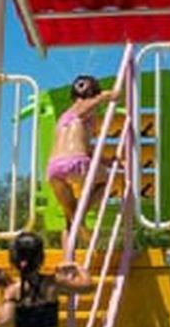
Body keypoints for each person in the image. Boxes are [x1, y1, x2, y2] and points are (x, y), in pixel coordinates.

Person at [47, 74, 121, 251]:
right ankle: (81, 218)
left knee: (69, 215)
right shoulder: (83, 110)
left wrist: (107, 160)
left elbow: (88, 150)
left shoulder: (65, 117)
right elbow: (93, 102)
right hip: (75, 163)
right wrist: (111, 95)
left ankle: (68, 258)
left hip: (54, 168)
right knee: (106, 180)